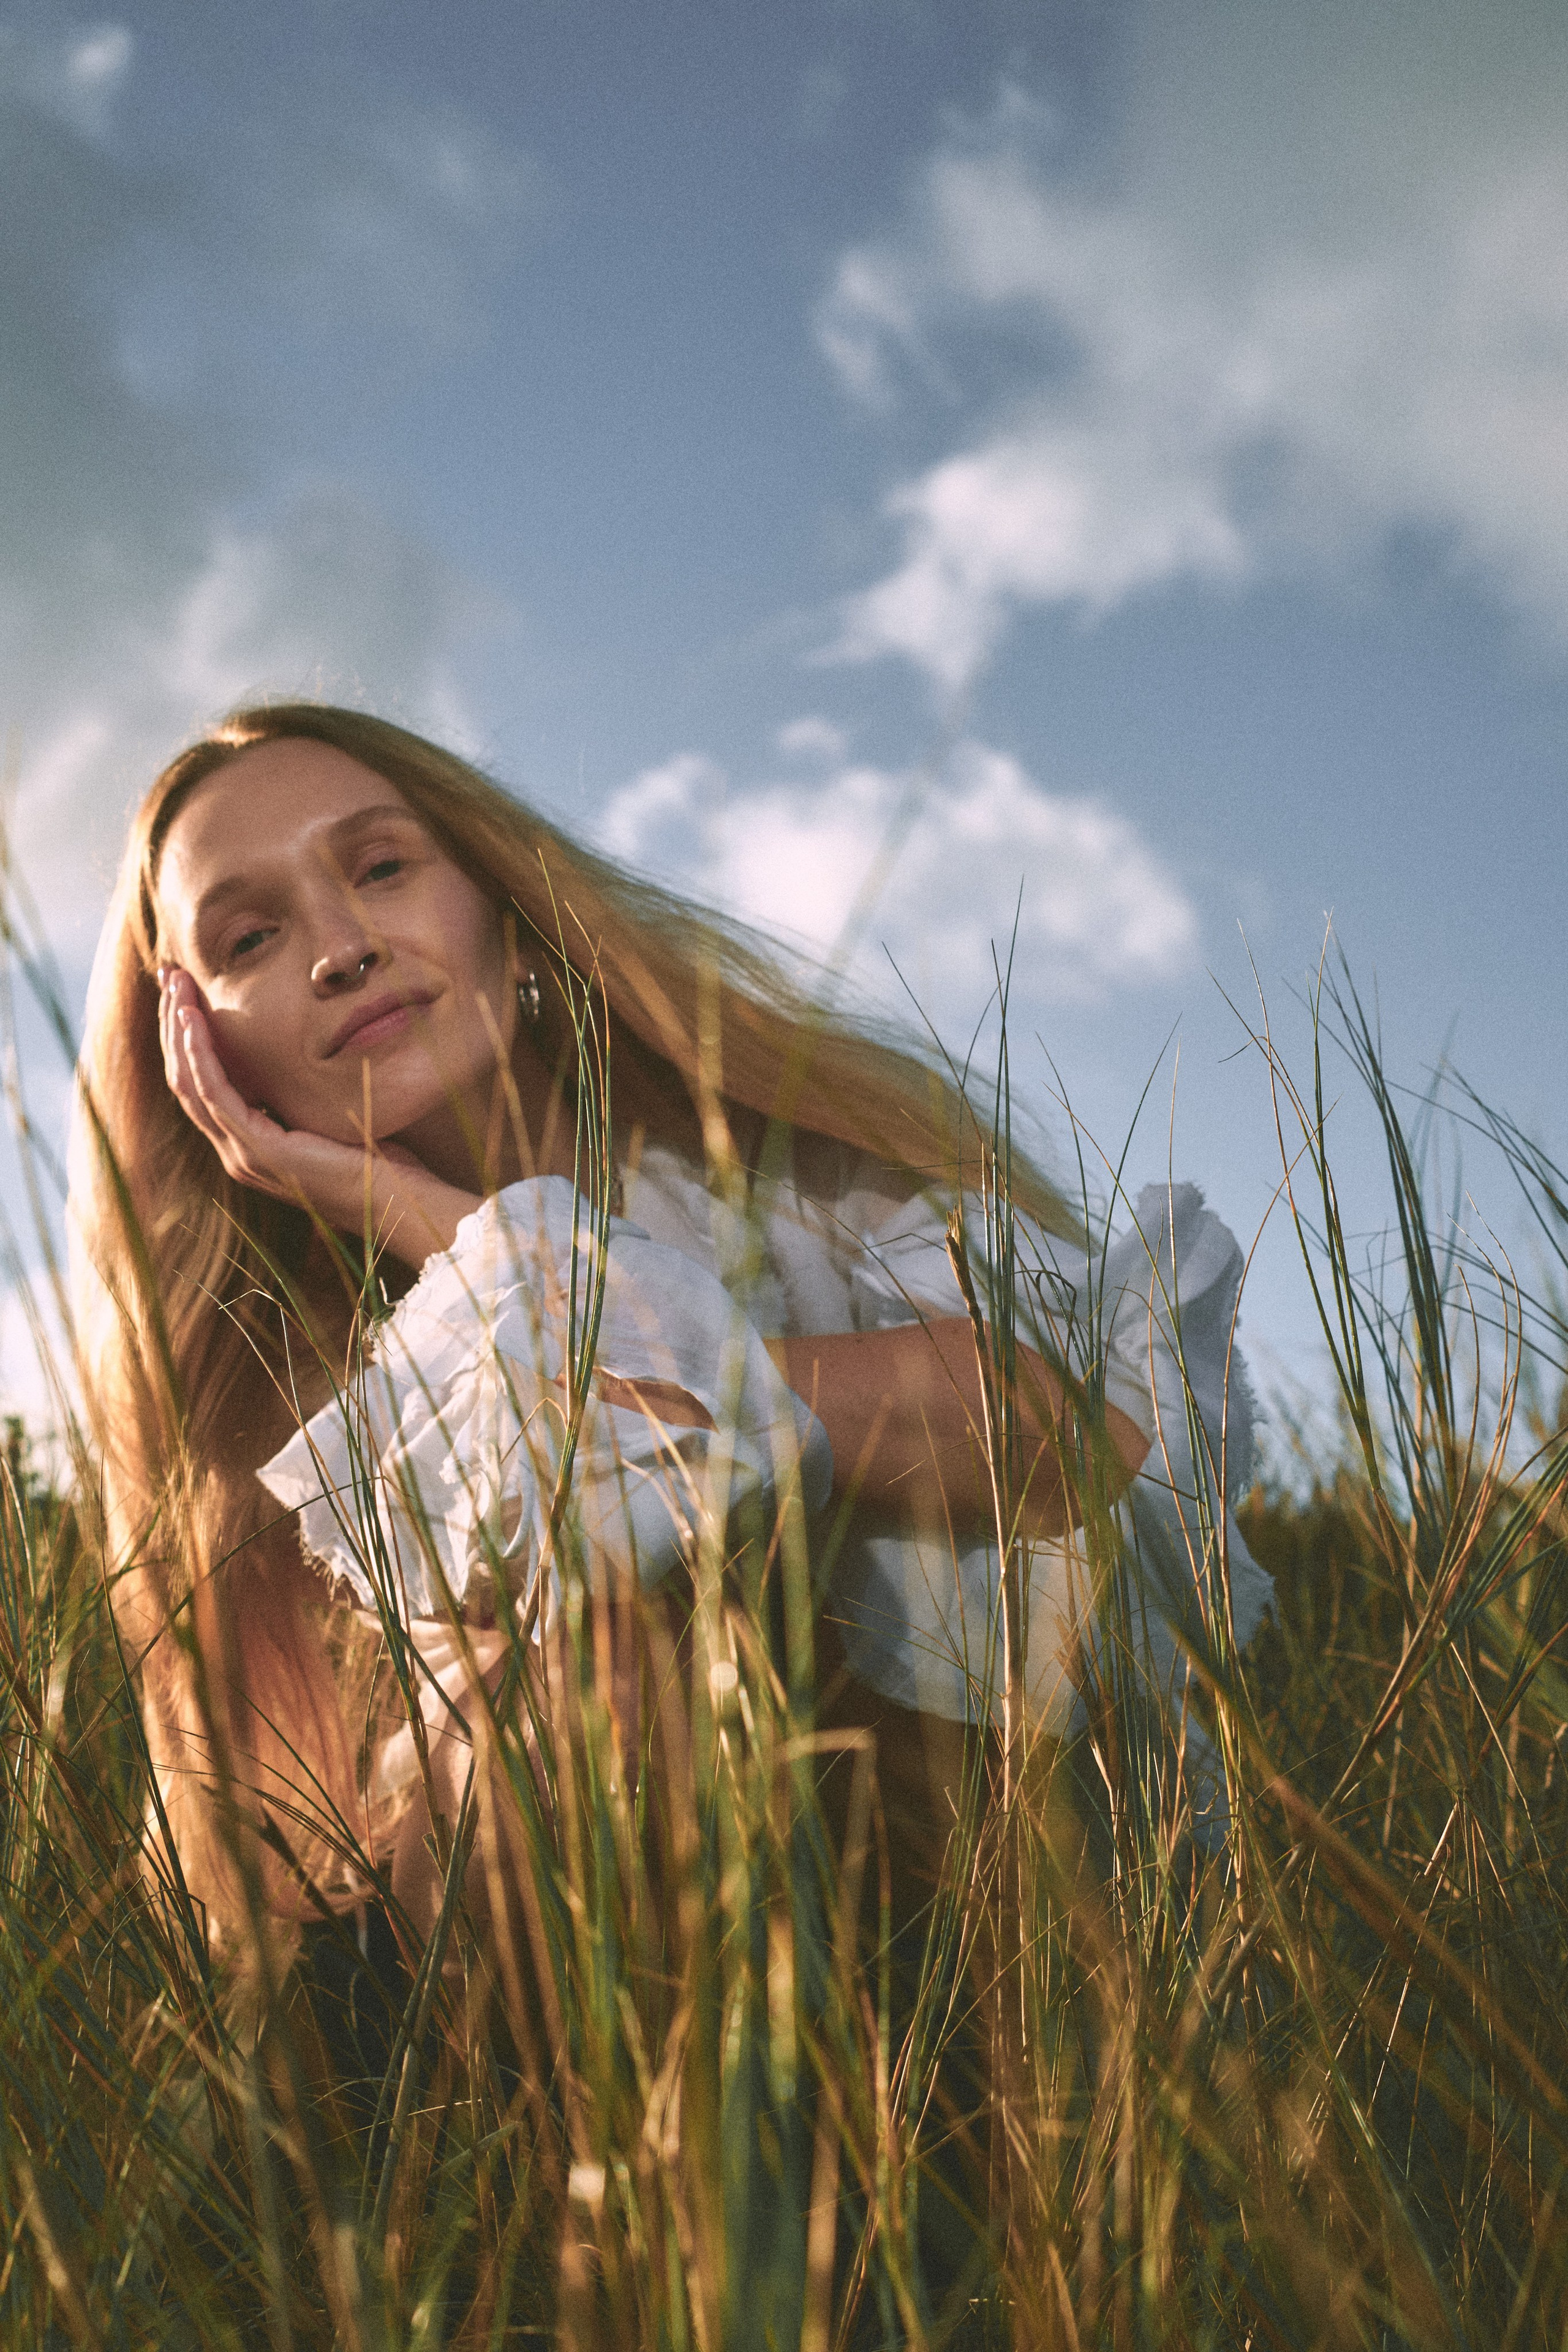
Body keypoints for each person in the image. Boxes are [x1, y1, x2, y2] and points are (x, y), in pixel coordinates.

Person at [70, 701, 1267, 2309]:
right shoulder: (282, 1411)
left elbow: (1069, 1433)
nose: (342, 949)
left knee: (625, 1618)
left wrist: (467, 1244)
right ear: (190, 1040)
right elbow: (305, 1885)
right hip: (541, 2104)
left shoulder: (789, 1181)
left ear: (500, 902)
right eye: (252, 934)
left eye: (381, 870)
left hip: (990, 1995)